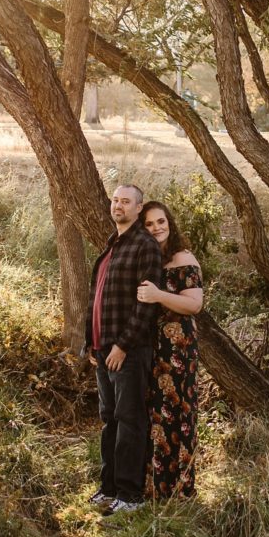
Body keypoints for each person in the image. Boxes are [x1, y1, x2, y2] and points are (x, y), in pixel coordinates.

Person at [85, 184, 163, 514]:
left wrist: (122, 346)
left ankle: (130, 496)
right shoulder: (112, 246)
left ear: (138, 207)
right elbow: (98, 298)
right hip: (103, 349)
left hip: (128, 351)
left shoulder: (144, 246)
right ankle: (109, 488)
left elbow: (146, 307)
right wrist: (90, 342)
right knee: (109, 420)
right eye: (115, 200)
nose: (118, 205)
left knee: (129, 420)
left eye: (126, 201)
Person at [137, 201, 203, 498]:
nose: (156, 228)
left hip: (179, 347)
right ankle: (153, 486)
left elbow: (194, 304)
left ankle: (179, 488)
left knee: (178, 411)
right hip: (153, 347)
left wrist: (158, 295)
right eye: (149, 224)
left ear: (170, 223)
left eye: (161, 221)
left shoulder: (183, 258)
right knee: (155, 414)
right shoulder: (151, 258)